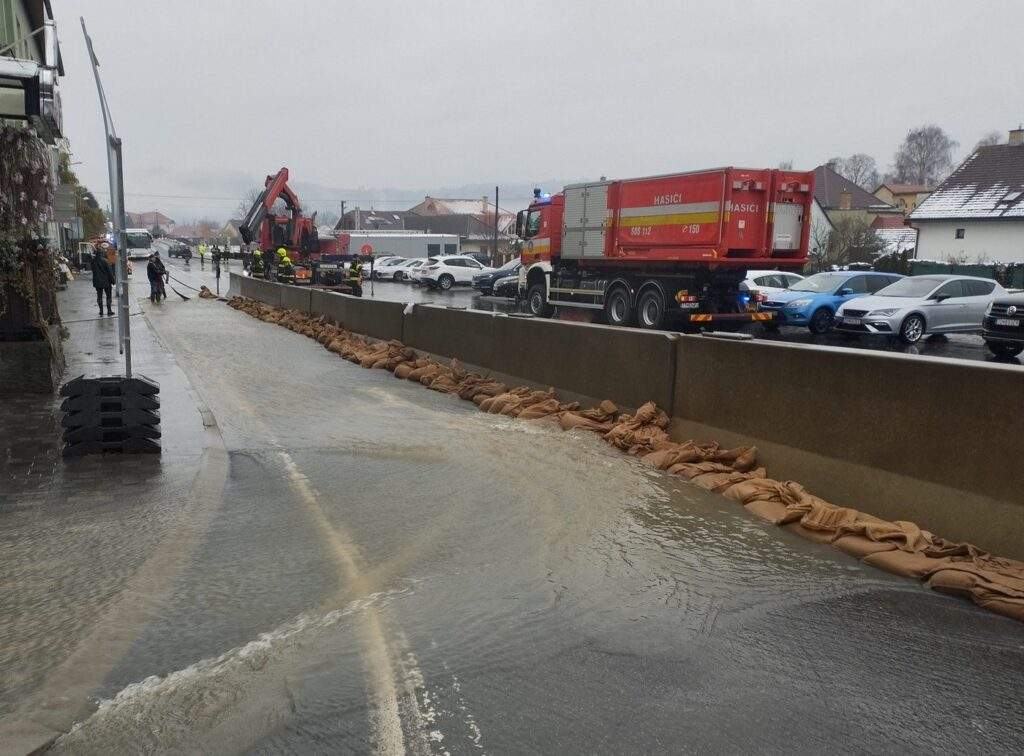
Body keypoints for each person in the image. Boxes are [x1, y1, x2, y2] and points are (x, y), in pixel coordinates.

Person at [91, 242, 116, 316]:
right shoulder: (105, 261)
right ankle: (109, 311)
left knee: (99, 296)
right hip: (106, 282)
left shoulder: (93, 262)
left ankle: (101, 312)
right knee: (108, 296)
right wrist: (113, 281)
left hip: (97, 282)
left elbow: (93, 271)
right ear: (102, 253)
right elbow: (110, 272)